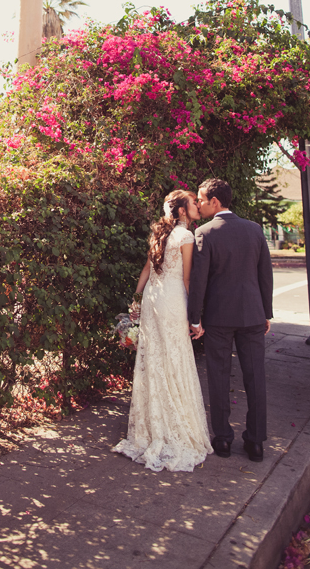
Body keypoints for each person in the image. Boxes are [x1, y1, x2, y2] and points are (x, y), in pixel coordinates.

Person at [113, 190, 213, 472]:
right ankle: (172, 427)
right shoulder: (186, 237)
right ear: (182, 211)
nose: (196, 206)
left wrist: (136, 301)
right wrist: (196, 318)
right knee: (174, 358)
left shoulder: (161, 235)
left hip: (153, 299)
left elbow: (146, 270)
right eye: (193, 203)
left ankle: (151, 426)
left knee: (154, 358)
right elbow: (187, 278)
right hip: (171, 300)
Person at [188, 178, 273, 462]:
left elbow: (199, 282)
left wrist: (195, 318)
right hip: (252, 315)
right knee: (255, 378)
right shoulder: (255, 230)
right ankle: (256, 442)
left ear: (215, 201)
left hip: (219, 318)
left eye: (200, 199)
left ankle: (223, 439)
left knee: (218, 376)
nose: (198, 204)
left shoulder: (204, 233)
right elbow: (265, 276)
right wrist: (266, 313)